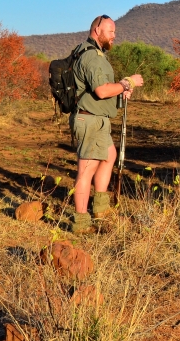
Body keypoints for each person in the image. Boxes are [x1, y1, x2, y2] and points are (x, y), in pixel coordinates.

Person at [70, 14, 144, 234]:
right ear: (97, 31)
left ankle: (100, 210)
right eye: (111, 31)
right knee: (86, 171)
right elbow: (102, 91)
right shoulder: (92, 57)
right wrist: (127, 82)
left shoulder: (94, 54)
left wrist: (121, 91)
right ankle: (81, 223)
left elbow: (101, 90)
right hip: (89, 119)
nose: (114, 36)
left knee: (109, 155)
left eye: (114, 32)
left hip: (97, 119)